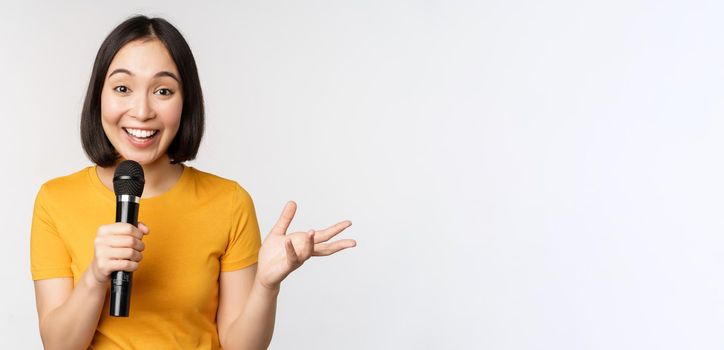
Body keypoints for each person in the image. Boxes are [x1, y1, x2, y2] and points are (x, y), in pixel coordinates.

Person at [30, 15, 356, 349]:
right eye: (123, 88)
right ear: (99, 95)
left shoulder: (229, 202)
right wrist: (96, 276)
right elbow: (58, 346)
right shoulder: (55, 200)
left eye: (163, 91)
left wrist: (266, 286)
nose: (142, 111)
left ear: (186, 102)